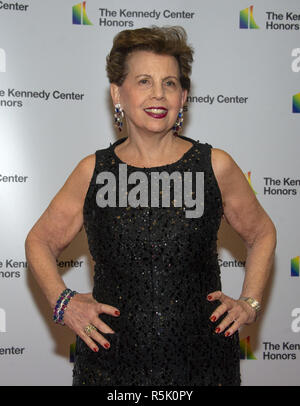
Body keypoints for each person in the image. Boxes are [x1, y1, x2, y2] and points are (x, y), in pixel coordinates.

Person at [25, 26, 276, 386]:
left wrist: (249, 302)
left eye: (170, 83)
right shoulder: (92, 172)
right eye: (144, 81)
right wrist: (63, 302)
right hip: (109, 366)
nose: (158, 94)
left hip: (203, 365)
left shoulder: (214, 166)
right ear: (117, 93)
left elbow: (262, 232)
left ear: (183, 96)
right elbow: (39, 241)